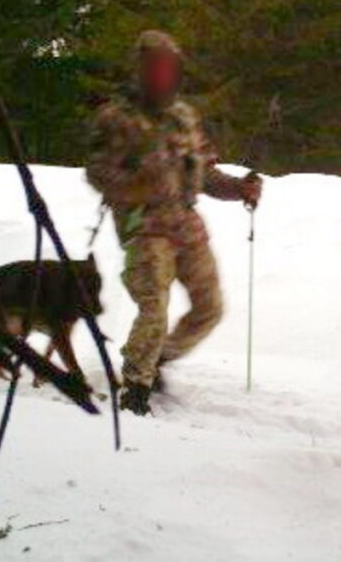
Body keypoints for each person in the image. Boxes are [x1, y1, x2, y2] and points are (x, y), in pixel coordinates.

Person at [86, 30, 262, 415]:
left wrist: (239, 189)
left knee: (210, 308)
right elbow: (97, 173)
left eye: (169, 68)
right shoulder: (116, 119)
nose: (162, 76)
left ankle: (157, 358)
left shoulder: (184, 117)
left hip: (187, 226)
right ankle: (135, 386)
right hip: (145, 228)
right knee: (154, 307)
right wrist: (135, 183)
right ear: (140, 69)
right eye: (155, 67)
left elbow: (205, 174)